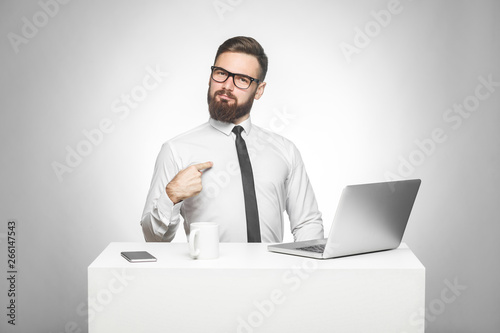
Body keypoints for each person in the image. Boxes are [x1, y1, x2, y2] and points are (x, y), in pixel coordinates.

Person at [140, 36, 324, 242]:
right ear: (210, 77)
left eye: (242, 79)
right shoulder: (176, 150)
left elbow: (308, 223)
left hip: (272, 273)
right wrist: (171, 196)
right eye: (221, 74)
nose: (227, 85)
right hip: (210, 273)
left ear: (259, 90)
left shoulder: (285, 150)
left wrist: (304, 268)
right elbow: (153, 239)